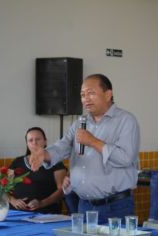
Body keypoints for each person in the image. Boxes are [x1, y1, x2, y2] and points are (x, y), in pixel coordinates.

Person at [29, 74, 140, 224]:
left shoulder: (126, 121)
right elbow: (63, 146)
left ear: (108, 94)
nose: (85, 99)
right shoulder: (80, 122)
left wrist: (93, 141)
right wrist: (45, 154)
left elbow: (126, 158)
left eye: (91, 93)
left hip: (115, 207)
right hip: (83, 205)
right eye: (82, 95)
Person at [9, 127, 67, 214]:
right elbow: (3, 187)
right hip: (17, 213)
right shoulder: (17, 162)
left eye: (38, 139)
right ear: (27, 144)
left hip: (46, 214)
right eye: (30, 140)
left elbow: (62, 190)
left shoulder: (56, 163)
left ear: (45, 141)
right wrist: (13, 201)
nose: (34, 143)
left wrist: (41, 203)